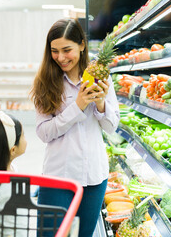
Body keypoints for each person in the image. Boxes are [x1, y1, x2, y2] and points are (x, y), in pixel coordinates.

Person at [30, 18, 120, 236]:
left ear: (81, 45)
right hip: (58, 176)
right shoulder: (46, 82)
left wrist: (100, 103)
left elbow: (111, 127)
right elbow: (44, 132)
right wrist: (77, 107)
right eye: (54, 51)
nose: (60, 57)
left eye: (67, 50)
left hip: (94, 177)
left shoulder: (101, 78)